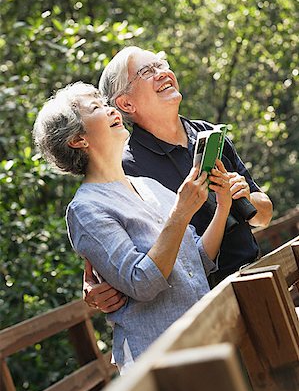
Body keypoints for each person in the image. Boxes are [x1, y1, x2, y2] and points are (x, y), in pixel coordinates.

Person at [33, 81, 232, 373]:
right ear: (77, 139)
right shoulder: (85, 209)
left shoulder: (149, 186)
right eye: (96, 108)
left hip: (208, 337)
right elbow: (142, 282)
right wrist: (180, 213)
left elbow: (199, 261)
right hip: (160, 358)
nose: (111, 110)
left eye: (105, 103)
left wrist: (223, 205)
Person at [83, 46, 273, 312]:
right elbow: (126, 258)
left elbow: (263, 216)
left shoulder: (208, 133)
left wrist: (244, 197)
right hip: (199, 307)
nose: (162, 73)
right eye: (147, 71)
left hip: (258, 277)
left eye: (161, 64)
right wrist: (98, 285)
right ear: (126, 104)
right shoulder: (126, 167)